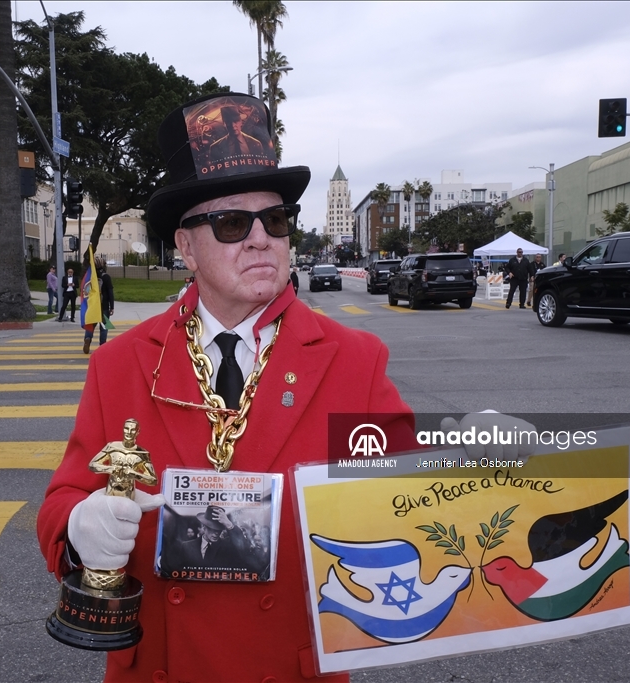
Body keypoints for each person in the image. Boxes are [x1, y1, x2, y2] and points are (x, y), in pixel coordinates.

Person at [37, 93, 526, 683]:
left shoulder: (353, 360)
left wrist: (474, 468)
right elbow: (63, 502)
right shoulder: (119, 366)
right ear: (186, 247)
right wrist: (78, 531)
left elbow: (400, 498)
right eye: (232, 222)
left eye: (274, 219)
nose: (261, 238)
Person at [83, 257, 115, 354]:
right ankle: (102, 345)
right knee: (104, 326)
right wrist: (112, 306)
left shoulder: (90, 277)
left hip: (92, 305)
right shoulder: (106, 277)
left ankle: (88, 338)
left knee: (91, 325)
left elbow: (85, 291)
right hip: (104, 305)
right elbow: (110, 292)